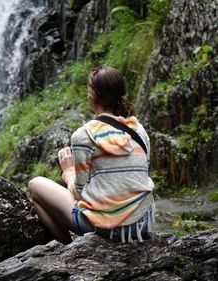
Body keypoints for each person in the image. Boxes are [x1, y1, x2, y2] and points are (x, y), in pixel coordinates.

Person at [29, 67, 155, 244]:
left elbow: (80, 194)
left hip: (106, 229)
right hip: (141, 225)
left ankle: (67, 248)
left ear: (92, 96)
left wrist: (68, 172)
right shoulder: (140, 131)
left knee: (35, 186)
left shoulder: (83, 136)